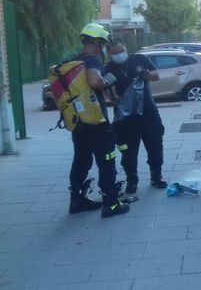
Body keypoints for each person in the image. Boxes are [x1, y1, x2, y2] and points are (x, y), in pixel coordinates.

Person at [69, 23, 130, 218]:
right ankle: (111, 204)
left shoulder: (73, 60)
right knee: (107, 160)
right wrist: (106, 81)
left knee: (81, 159)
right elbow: (95, 81)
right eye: (102, 43)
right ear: (96, 42)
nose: (102, 48)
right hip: (96, 121)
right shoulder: (92, 59)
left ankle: (76, 201)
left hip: (78, 120)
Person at [105, 38, 167, 193]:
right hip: (125, 119)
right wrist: (114, 97)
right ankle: (131, 180)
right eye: (115, 53)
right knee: (128, 153)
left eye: (121, 51)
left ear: (125, 47)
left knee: (155, 147)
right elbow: (108, 94)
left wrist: (147, 74)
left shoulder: (139, 59)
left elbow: (156, 75)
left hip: (149, 114)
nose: (119, 55)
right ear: (109, 54)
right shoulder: (108, 68)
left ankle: (156, 175)